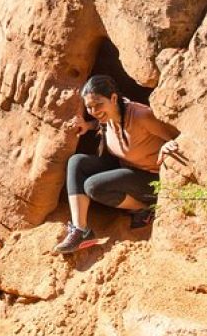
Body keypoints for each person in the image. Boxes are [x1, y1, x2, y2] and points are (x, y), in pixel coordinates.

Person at [54, 74, 182, 254]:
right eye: (89, 107)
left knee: (93, 186)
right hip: (127, 168)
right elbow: (103, 122)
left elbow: (176, 134)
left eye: (98, 104)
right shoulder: (108, 117)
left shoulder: (140, 115)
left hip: (151, 179)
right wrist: (88, 126)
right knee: (77, 162)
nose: (94, 110)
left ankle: (144, 208)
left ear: (113, 98)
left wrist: (170, 143)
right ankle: (80, 230)